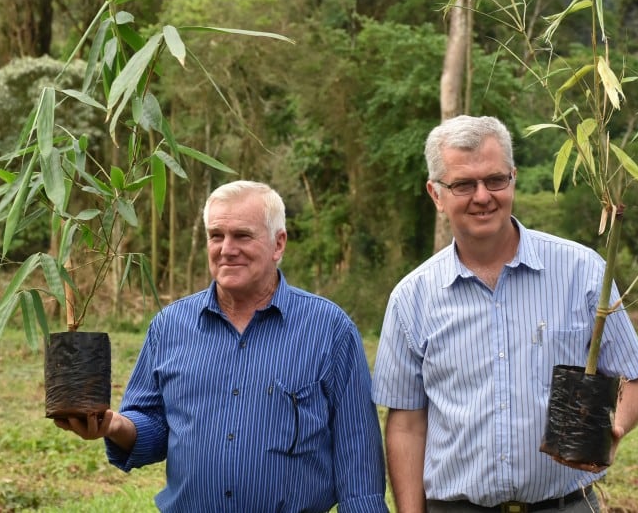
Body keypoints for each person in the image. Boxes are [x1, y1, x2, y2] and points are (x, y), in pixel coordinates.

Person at [55, 180, 388, 513]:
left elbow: (358, 457)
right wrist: (116, 426)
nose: (227, 249)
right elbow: (154, 426)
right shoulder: (170, 327)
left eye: (242, 235)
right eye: (216, 236)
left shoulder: (329, 329)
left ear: (278, 244)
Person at [371, 116, 638, 512]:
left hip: (565, 504)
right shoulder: (412, 299)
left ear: (513, 178)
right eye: (463, 185)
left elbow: (634, 376)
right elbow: (406, 424)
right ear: (436, 194)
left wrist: (613, 426)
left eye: (495, 180)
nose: (482, 196)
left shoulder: (582, 271)